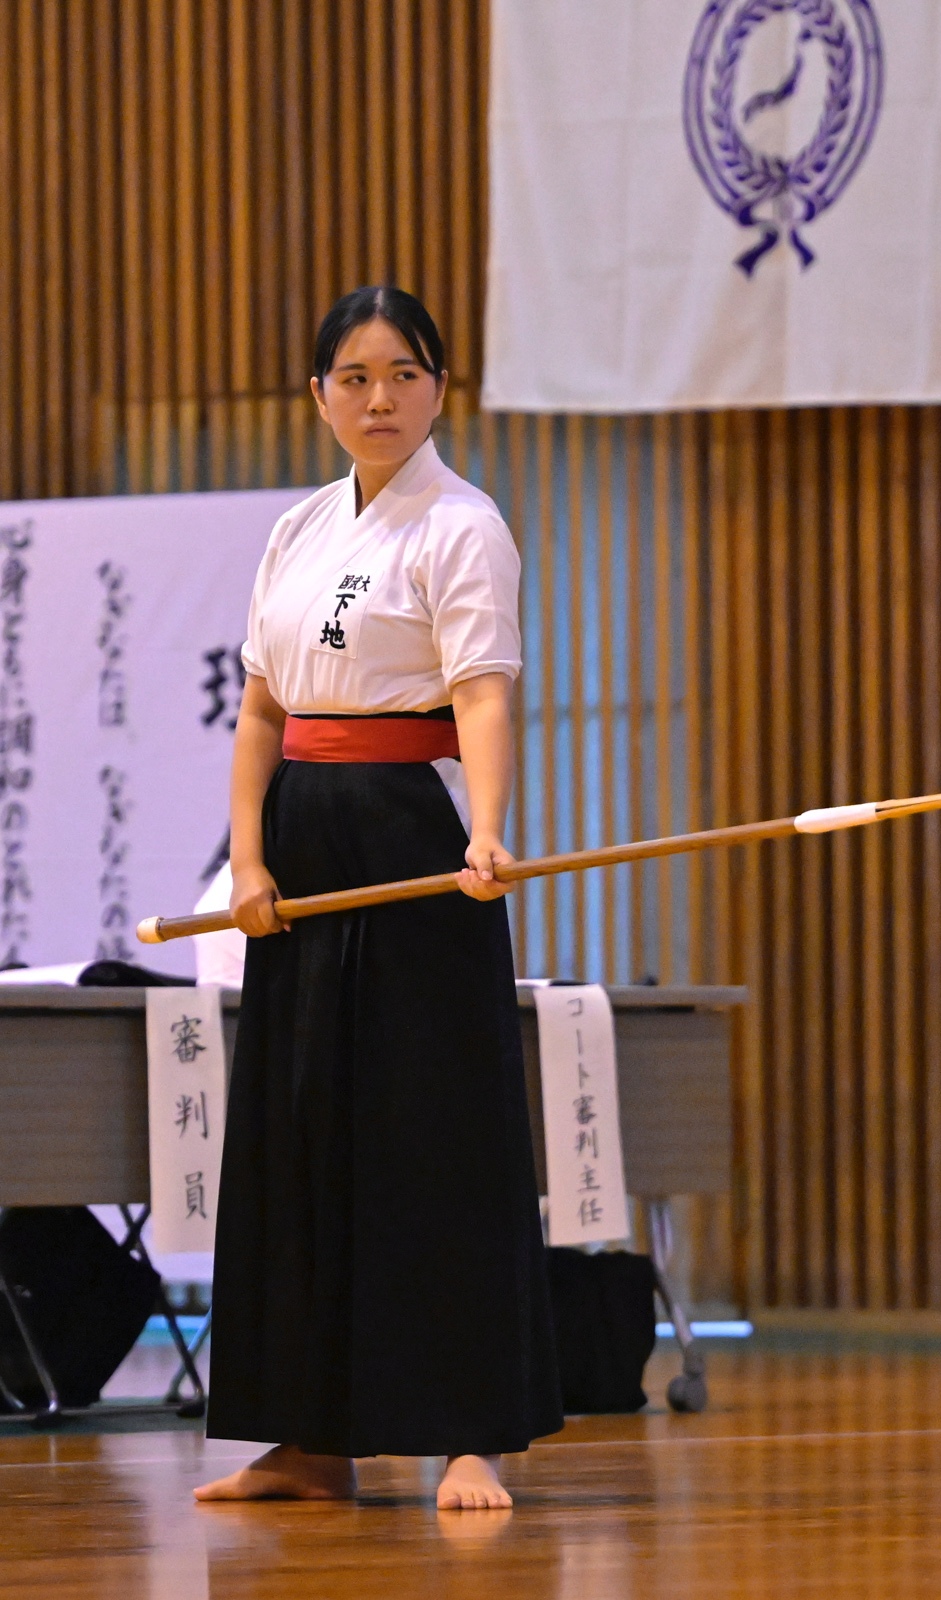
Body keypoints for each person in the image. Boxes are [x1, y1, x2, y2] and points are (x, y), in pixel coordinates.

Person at [194, 286, 561, 1511]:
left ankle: (468, 1432)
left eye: (404, 373)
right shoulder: (299, 528)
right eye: (354, 377)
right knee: (300, 1125)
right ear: (319, 397)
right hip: (303, 836)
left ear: (440, 388)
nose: (380, 398)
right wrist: (249, 861)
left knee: (430, 1129)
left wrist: (489, 831)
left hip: (412, 835)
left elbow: (485, 692)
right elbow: (261, 710)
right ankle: (308, 1438)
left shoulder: (463, 525)